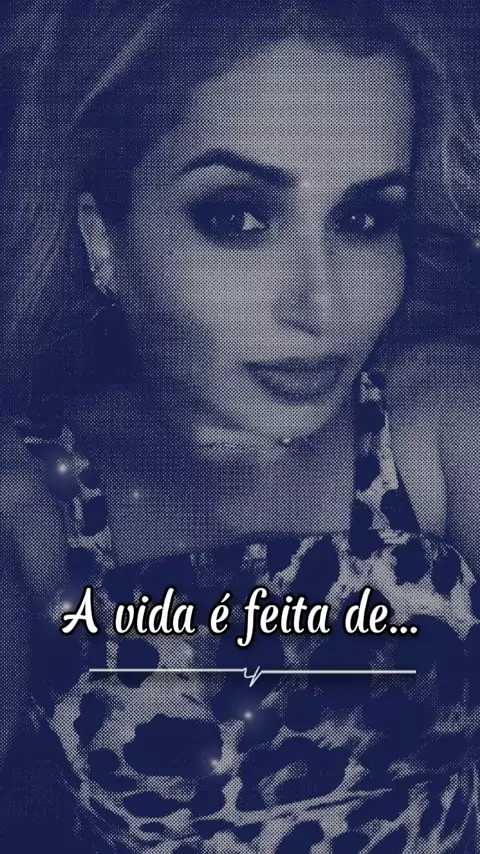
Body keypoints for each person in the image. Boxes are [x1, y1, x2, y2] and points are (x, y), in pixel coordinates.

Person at [1, 0, 480, 851]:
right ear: (105, 241)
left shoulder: (439, 428)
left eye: (364, 219)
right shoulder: (34, 494)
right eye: (238, 218)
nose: (322, 305)